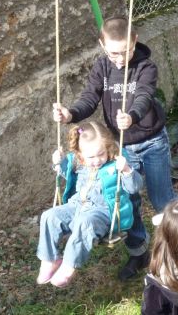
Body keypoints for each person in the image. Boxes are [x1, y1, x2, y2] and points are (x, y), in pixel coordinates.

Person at [53, 16, 177, 280]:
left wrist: (132, 115)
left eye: (125, 52)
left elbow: (144, 95)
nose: (120, 59)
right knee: (127, 200)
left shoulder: (146, 66)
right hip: (123, 148)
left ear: (135, 41)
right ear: (102, 45)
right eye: (113, 53)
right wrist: (70, 114)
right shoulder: (102, 67)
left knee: (161, 199)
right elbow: (89, 98)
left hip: (152, 143)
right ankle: (139, 252)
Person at [35, 121, 142, 288]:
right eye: (91, 157)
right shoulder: (79, 162)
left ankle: (69, 266)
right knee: (49, 216)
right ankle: (50, 259)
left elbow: (134, 187)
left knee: (85, 223)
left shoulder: (116, 164)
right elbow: (68, 175)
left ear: (107, 148)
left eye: (101, 154)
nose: (97, 160)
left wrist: (127, 170)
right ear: (80, 154)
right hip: (77, 205)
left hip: (102, 213)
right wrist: (59, 163)